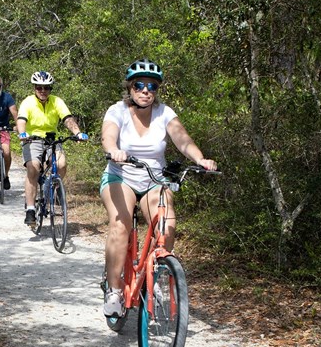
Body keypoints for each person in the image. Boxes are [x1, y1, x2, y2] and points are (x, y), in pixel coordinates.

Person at [99, 59, 216, 317]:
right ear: (130, 88)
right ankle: (115, 290)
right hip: (121, 175)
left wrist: (200, 159)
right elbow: (108, 134)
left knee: (166, 223)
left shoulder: (165, 113)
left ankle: (158, 276)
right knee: (121, 224)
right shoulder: (117, 110)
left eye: (151, 86)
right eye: (139, 85)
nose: (145, 91)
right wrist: (113, 150)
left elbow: (182, 138)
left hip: (154, 178)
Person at [16, 70, 88, 228]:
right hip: (32, 139)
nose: (43, 91)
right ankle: (30, 209)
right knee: (33, 168)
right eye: (39, 87)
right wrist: (22, 133)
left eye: (46, 88)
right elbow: (21, 120)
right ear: (34, 88)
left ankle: (50, 188)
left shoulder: (56, 101)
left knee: (61, 164)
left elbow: (67, 119)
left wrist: (77, 133)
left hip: (51, 139)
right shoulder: (28, 102)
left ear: (50, 89)